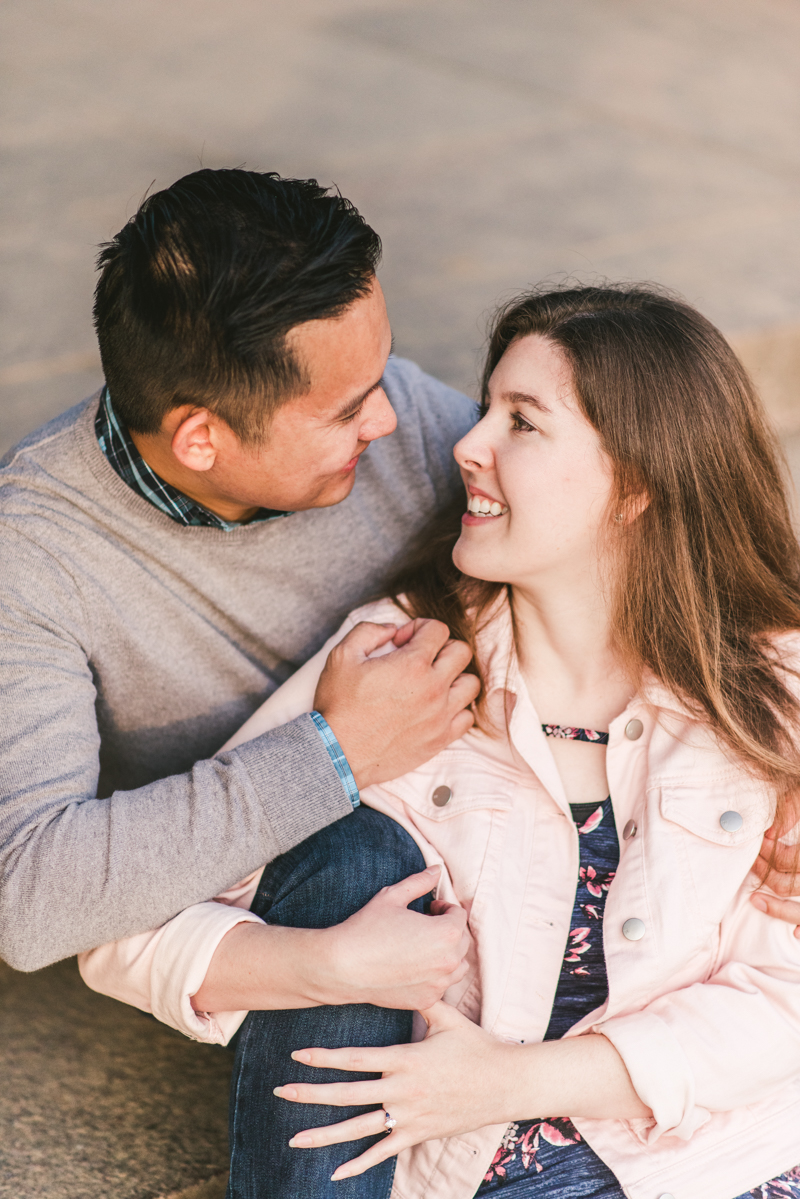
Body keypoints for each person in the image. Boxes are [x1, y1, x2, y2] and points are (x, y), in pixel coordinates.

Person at [83, 285, 800, 1199]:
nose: (466, 442)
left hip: (725, 1163)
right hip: (467, 1173)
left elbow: (784, 1005)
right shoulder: (393, 668)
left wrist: (510, 1080)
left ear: (637, 483)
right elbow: (127, 921)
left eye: (523, 423)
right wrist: (319, 963)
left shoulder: (770, 687)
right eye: (486, 406)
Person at [0, 167, 479, 1009]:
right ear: (201, 440)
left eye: (384, 371)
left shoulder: (389, 408)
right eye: (346, 411)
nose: (391, 420)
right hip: (292, 908)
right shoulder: (34, 560)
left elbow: (622, 536)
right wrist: (335, 752)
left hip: (490, 821)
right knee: (351, 869)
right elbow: (30, 892)